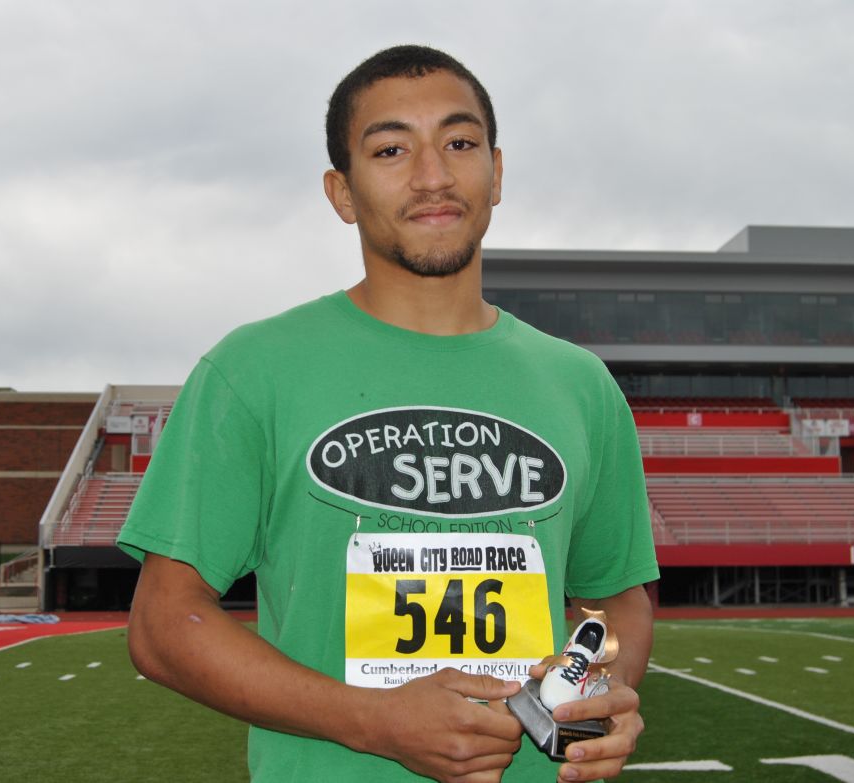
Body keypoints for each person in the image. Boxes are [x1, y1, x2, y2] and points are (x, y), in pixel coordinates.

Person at [118, 44, 659, 783]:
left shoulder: (582, 385)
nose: (433, 176)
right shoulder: (251, 371)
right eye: (391, 149)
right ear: (341, 192)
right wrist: (373, 720)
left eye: (459, 143)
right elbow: (162, 625)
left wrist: (594, 688)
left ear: (497, 173)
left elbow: (615, 599)